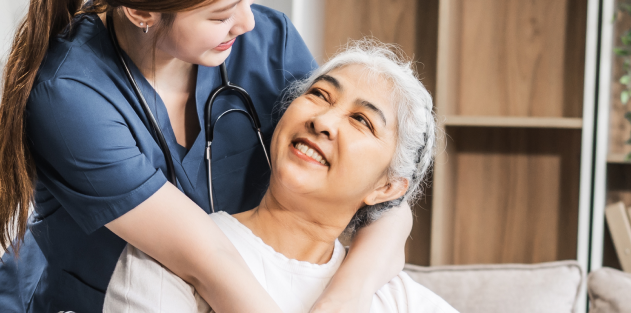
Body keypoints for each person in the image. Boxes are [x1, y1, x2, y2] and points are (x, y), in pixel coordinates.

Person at [0, 0, 412, 313]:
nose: (247, 22)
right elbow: (207, 261)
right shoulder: (70, 92)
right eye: (221, 12)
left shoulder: (266, 43)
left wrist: (344, 298)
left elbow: (380, 192)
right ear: (142, 11)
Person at [104, 42, 456, 313]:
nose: (323, 121)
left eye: (361, 120)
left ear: (386, 187)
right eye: (319, 95)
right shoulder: (171, 255)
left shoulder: (401, 300)